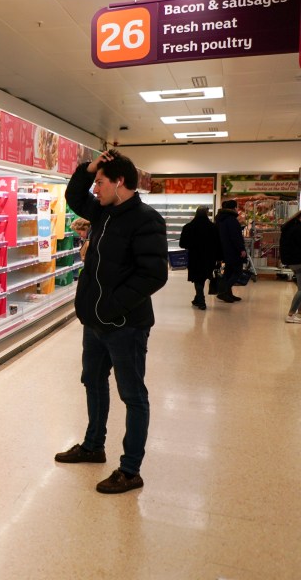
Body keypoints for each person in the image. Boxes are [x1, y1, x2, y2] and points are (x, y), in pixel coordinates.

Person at [56, 150, 168, 494]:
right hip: (95, 322)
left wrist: (112, 307)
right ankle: (93, 446)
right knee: (93, 381)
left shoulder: (147, 220)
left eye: (101, 182)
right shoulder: (102, 211)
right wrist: (89, 168)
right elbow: (73, 196)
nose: (95, 189)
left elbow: (154, 275)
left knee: (133, 395)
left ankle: (130, 469)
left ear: (120, 183)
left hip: (126, 324)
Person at [179, 206, 222, 310]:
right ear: (206, 214)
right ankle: (198, 299)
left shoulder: (188, 227)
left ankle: (201, 300)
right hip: (209, 257)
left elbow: (182, 244)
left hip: (194, 257)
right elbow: (218, 244)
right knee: (202, 278)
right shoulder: (213, 227)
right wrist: (219, 258)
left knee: (197, 278)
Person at [215, 200, 246, 303]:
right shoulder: (231, 220)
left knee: (227, 272)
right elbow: (235, 237)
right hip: (232, 251)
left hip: (223, 251)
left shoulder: (220, 219)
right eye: (236, 207)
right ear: (233, 208)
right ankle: (223, 292)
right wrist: (241, 249)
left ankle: (228, 293)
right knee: (237, 271)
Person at [281, 210, 301, 323]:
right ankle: (290, 314)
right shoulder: (298, 229)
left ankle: (299, 314)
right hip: (298, 260)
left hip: (292, 260)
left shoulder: (290, 227)